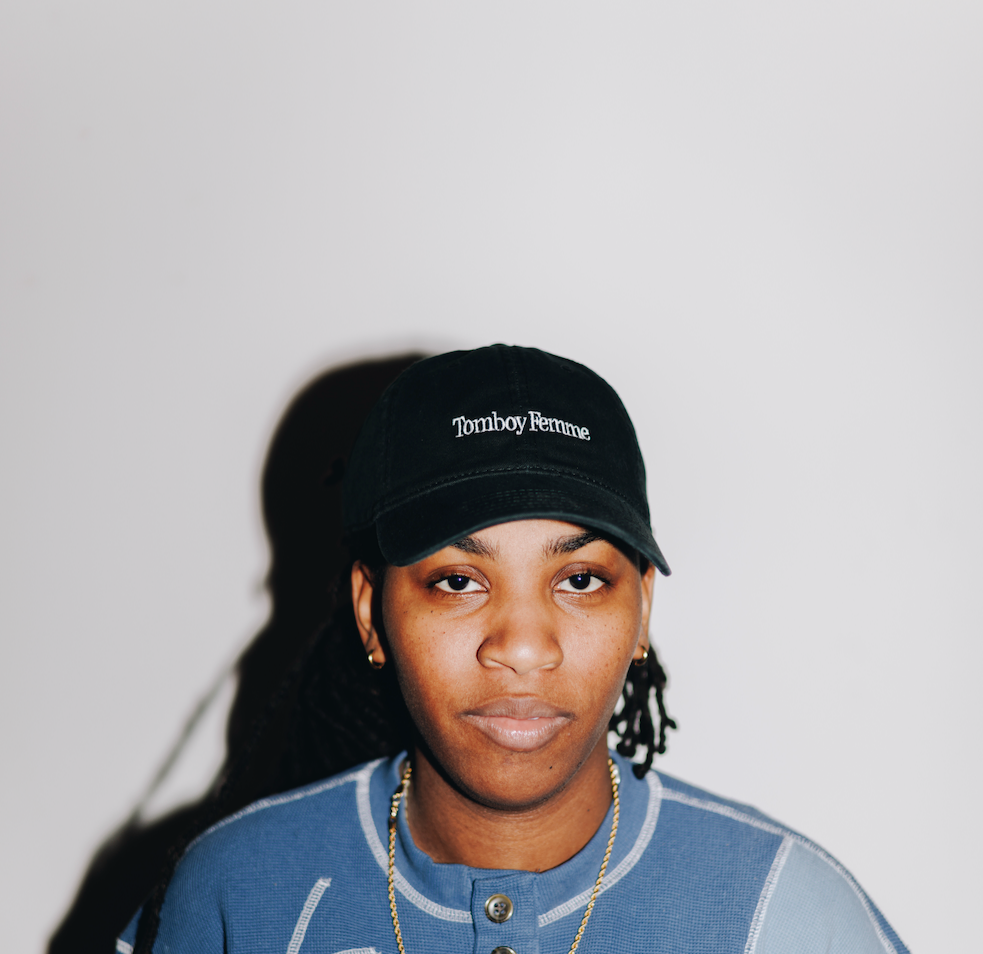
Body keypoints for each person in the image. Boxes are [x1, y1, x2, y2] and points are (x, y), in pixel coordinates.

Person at [118, 345, 909, 954]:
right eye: (459, 580)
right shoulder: (235, 894)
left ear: (642, 611)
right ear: (371, 613)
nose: (524, 647)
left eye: (581, 579)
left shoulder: (783, 911)